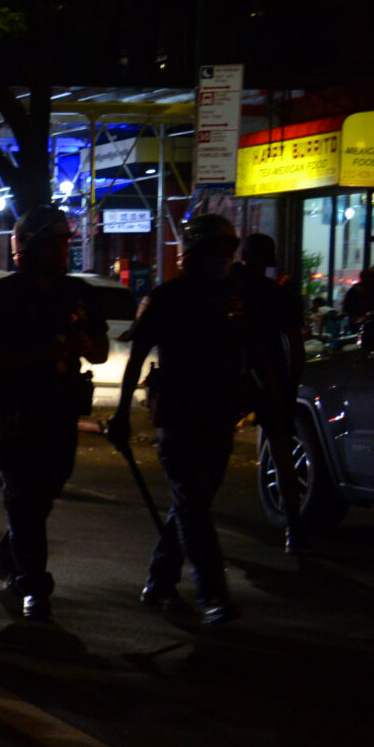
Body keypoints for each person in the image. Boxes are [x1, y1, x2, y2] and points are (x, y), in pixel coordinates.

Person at [109, 211, 248, 626]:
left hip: (220, 415)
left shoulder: (233, 297)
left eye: (231, 248)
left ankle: (159, 580)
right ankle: (212, 594)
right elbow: (136, 357)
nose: (227, 256)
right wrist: (121, 415)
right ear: (197, 251)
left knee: (193, 504)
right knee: (193, 505)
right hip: (180, 416)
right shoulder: (167, 298)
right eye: (220, 248)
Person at [0, 206, 109, 622]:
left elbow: (100, 350)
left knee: (45, 490)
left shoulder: (78, 293)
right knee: (21, 495)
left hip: (60, 409)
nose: (66, 249)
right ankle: (33, 582)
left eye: (68, 241)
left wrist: (84, 343)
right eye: (58, 242)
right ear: (31, 246)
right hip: (17, 409)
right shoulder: (4, 294)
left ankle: (11, 554)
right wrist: (36, 355)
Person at [231, 232, 309, 551]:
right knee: (281, 453)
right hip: (271, 377)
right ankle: (294, 527)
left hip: (234, 376)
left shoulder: (231, 288)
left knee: (209, 450)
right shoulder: (277, 294)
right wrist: (289, 386)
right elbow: (297, 347)